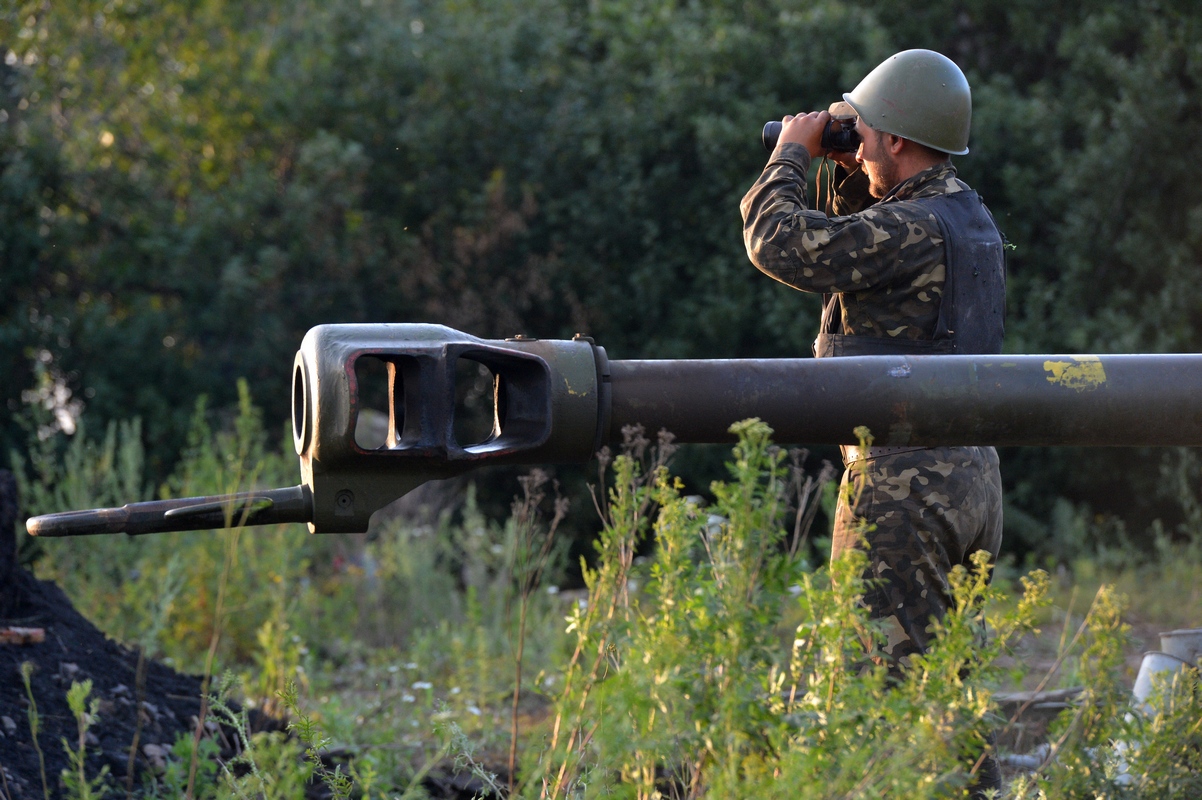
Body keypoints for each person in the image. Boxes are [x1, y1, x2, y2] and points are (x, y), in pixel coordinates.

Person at [740, 49, 1005, 794]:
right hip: (969, 482)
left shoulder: (913, 227)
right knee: (946, 690)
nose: (852, 141)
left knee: (883, 703)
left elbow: (778, 241)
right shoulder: (963, 216)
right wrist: (854, 162)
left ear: (893, 135)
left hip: (903, 492)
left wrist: (792, 155)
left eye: (863, 130)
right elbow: (866, 270)